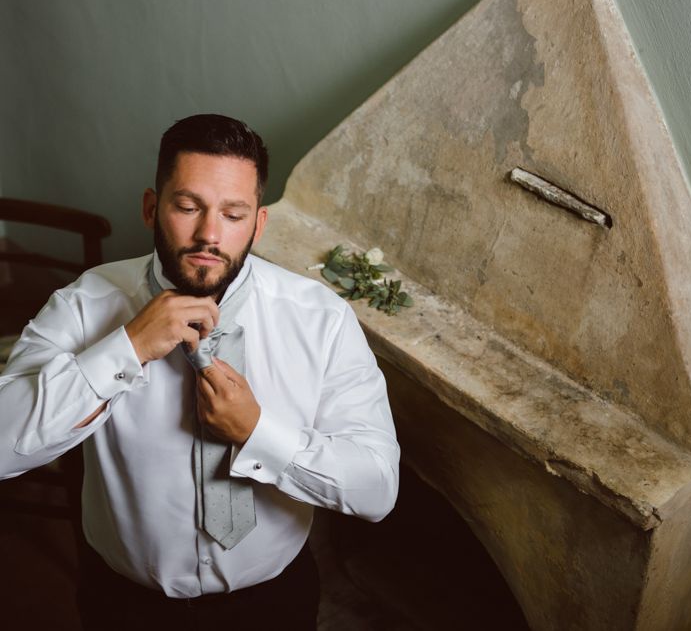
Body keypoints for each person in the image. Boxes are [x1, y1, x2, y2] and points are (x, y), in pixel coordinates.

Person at [0, 113, 400, 630]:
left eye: (233, 215)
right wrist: (126, 348)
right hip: (125, 605)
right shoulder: (83, 306)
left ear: (258, 223)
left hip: (273, 603)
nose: (209, 234)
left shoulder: (320, 319)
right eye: (188, 207)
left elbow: (377, 489)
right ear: (152, 208)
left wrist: (258, 433)